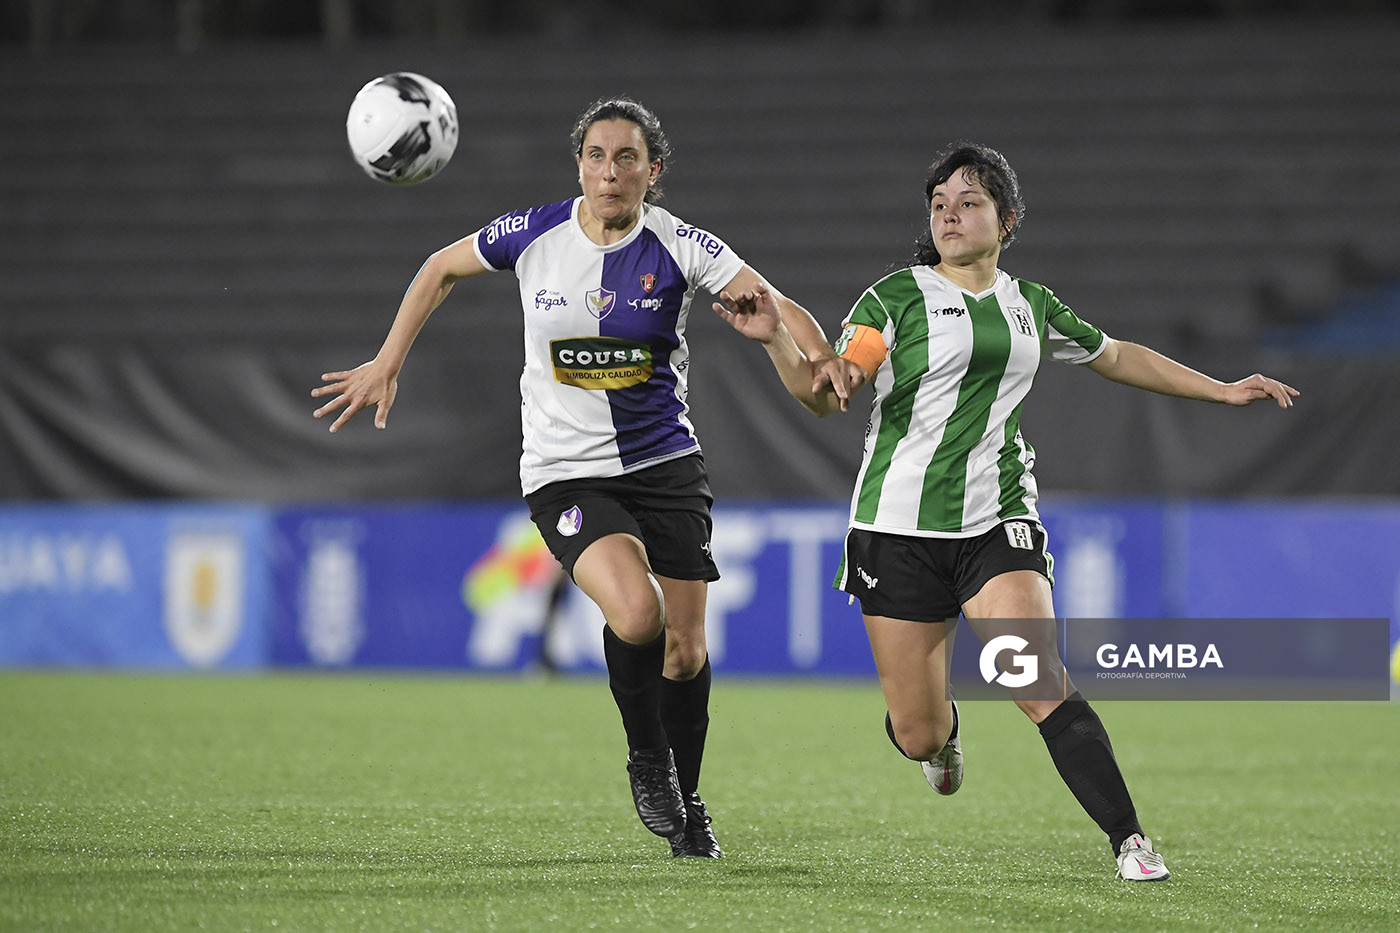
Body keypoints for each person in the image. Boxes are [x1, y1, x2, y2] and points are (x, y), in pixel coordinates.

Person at [715, 142, 1298, 881]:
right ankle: (944, 740)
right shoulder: (894, 297)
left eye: (969, 201)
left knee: (1037, 678)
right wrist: (778, 345)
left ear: (1006, 218)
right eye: (939, 204)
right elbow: (832, 391)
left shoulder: (1034, 306)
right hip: (896, 531)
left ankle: (1129, 839)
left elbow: (1116, 354)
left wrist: (1218, 388)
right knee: (918, 731)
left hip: (998, 523)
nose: (951, 214)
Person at [312, 96, 848, 859]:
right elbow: (440, 268)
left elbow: (774, 302)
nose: (609, 172)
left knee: (686, 650)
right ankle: (645, 756)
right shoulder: (535, 232)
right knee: (636, 614)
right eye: (596, 156)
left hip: (666, 464)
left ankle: (688, 802)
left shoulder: (680, 244)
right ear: (579, 166)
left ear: (652, 172)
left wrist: (818, 353)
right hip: (566, 473)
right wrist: (387, 359)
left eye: (627, 158)